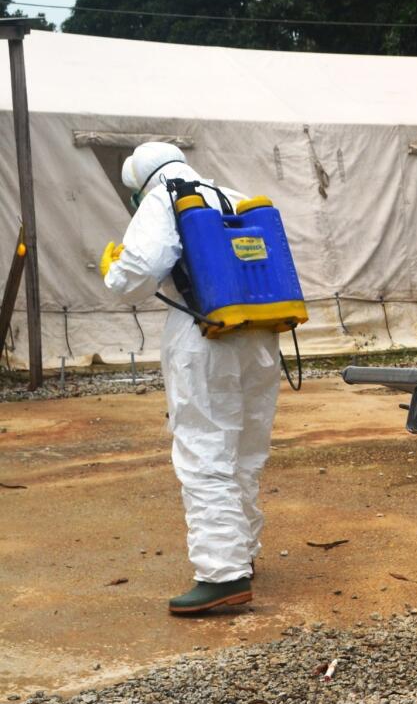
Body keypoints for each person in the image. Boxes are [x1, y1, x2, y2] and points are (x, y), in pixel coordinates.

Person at [100, 142, 282, 615]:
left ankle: (223, 575)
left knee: (204, 452)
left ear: (140, 183)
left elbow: (138, 272)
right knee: (244, 450)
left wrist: (113, 272)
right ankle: (240, 551)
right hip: (260, 334)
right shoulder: (234, 194)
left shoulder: (163, 198)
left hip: (205, 338)